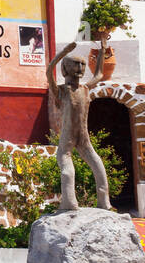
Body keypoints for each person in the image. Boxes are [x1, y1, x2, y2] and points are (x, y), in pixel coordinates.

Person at [46, 40, 111, 211]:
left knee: (66, 161)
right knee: (94, 162)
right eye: (78, 64)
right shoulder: (75, 90)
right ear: (67, 68)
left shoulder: (72, 90)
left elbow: (48, 71)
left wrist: (102, 51)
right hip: (82, 135)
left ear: (63, 69)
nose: (81, 67)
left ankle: (70, 202)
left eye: (82, 64)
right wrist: (101, 52)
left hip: (71, 135)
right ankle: (102, 202)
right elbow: (98, 75)